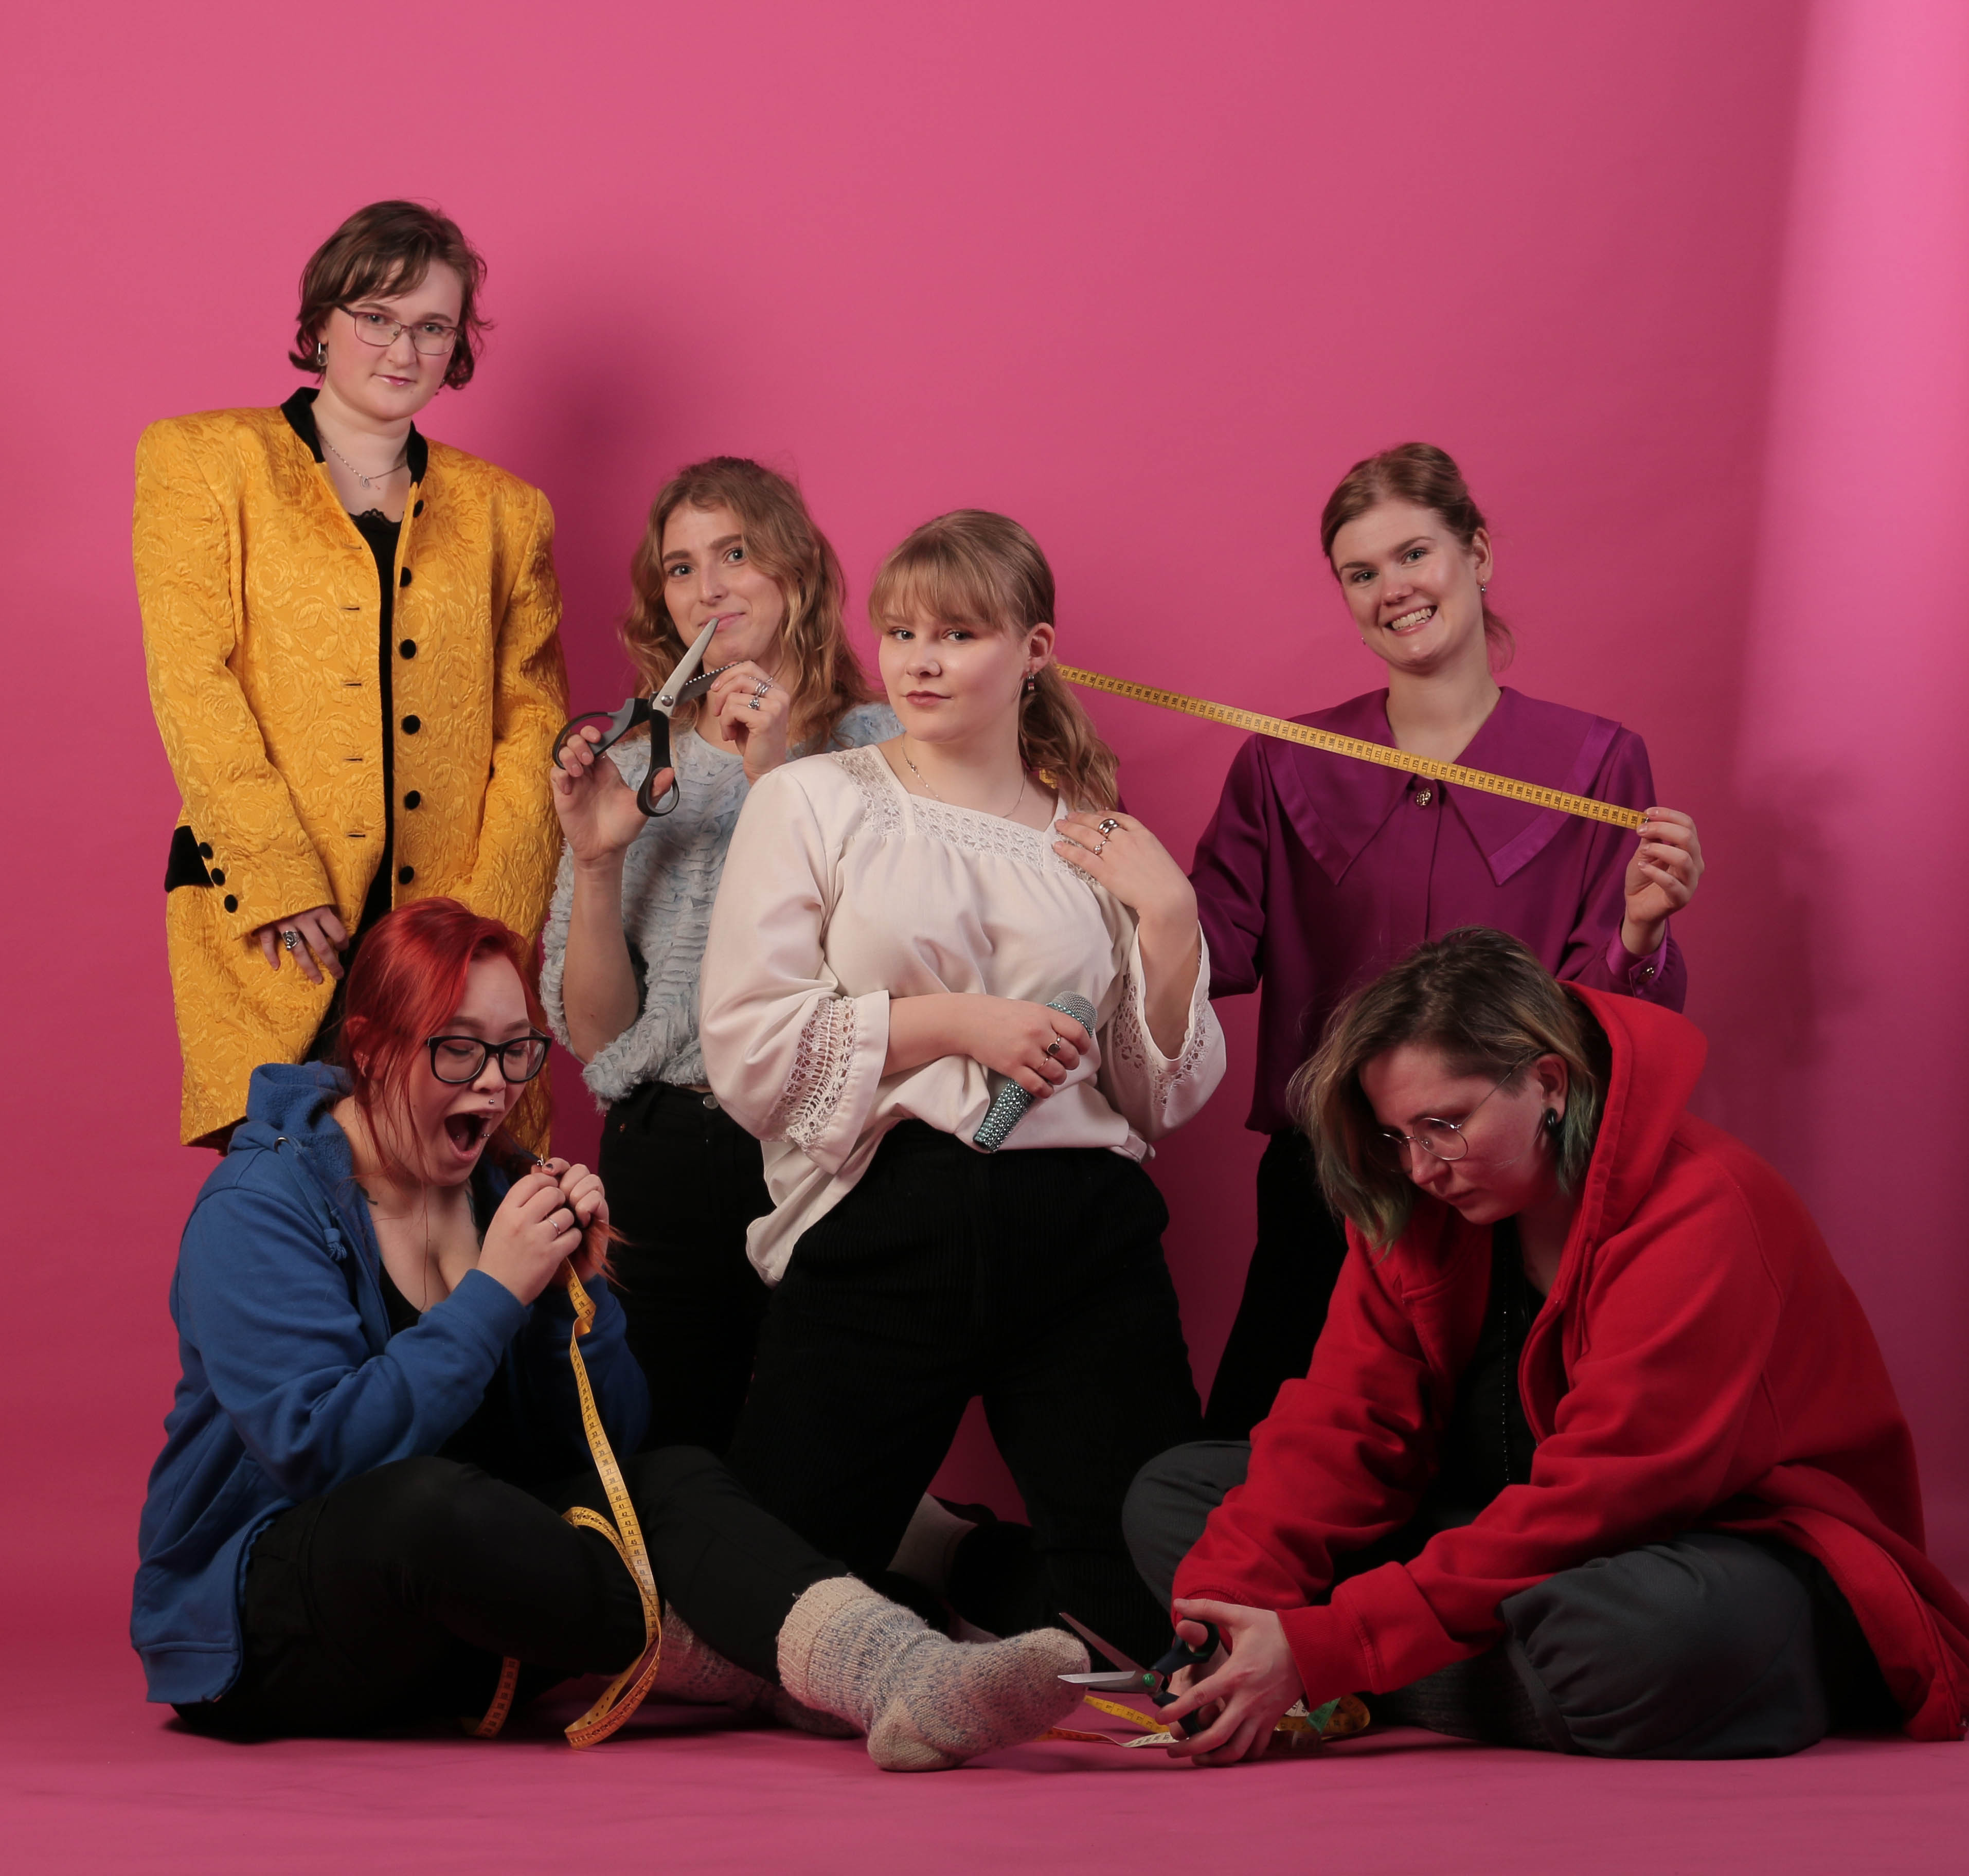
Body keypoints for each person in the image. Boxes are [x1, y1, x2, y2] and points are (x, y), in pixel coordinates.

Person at [132, 897, 1088, 1769]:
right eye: (457, 1051)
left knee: (671, 1477)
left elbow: (607, 1451)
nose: (495, 1085)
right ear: (373, 1049)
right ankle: (779, 1657)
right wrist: (495, 1291)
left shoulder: (500, 1189)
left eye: (518, 1051)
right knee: (425, 1502)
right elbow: (321, 1451)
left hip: (482, 1627)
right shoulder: (262, 1205)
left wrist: (572, 1302)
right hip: (272, 1632)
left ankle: (903, 1672)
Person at [1122, 927, 1968, 1762]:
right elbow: (1343, 1428)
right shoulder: (1415, 1207)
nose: (1420, 1168)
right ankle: (1369, 1667)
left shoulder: (1704, 1208)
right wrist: (1220, 1616)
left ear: (1549, 1082)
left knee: (1640, 1638)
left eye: (1444, 1124)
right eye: (1396, 1136)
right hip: (1512, 1533)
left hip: (1714, 1546)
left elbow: (1605, 1501)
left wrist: (1328, 1647)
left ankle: (1351, 1677)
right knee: (1177, 1497)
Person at [698, 510, 1225, 1666]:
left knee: (1167, 1626)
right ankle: (931, 1568)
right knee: (766, 1611)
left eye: (958, 634)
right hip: (894, 1212)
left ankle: (958, 1564)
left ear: (1035, 651)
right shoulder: (814, 799)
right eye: (900, 633)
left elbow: (1155, 1101)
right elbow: (746, 1045)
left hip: (1086, 1231)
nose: (920, 663)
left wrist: (1172, 922)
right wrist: (955, 1024)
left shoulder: (1094, 838)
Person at [1194, 443, 1708, 1439]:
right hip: (1334, 1177)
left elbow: (1600, 1018)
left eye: (1414, 554)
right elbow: (1210, 950)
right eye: (1361, 572)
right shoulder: (1281, 762)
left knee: (1495, 1463)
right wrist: (1108, 884)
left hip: (1511, 1183)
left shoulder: (1600, 762)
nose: (1392, 588)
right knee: (1260, 1459)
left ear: (1477, 554)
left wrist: (1641, 929)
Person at [135, 200, 568, 1150]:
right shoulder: (204, 460)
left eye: (432, 328)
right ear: (323, 322)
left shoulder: (508, 512)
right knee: (291, 1190)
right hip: (280, 921)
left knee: (458, 1198)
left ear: (456, 346)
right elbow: (193, 679)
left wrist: (482, 935)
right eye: (377, 317)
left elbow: (533, 723)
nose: (403, 349)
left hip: (444, 931)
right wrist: (276, 875)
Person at [542, 458, 895, 1452]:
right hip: (665, 1149)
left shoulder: (885, 743)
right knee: (667, 1453)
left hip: (826, 1143)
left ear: (796, 567)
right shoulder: (630, 760)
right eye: (682, 566)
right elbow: (599, 1038)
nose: (709, 588)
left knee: (818, 1455)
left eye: (736, 554)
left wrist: (773, 776)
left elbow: (891, 966)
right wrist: (598, 859)